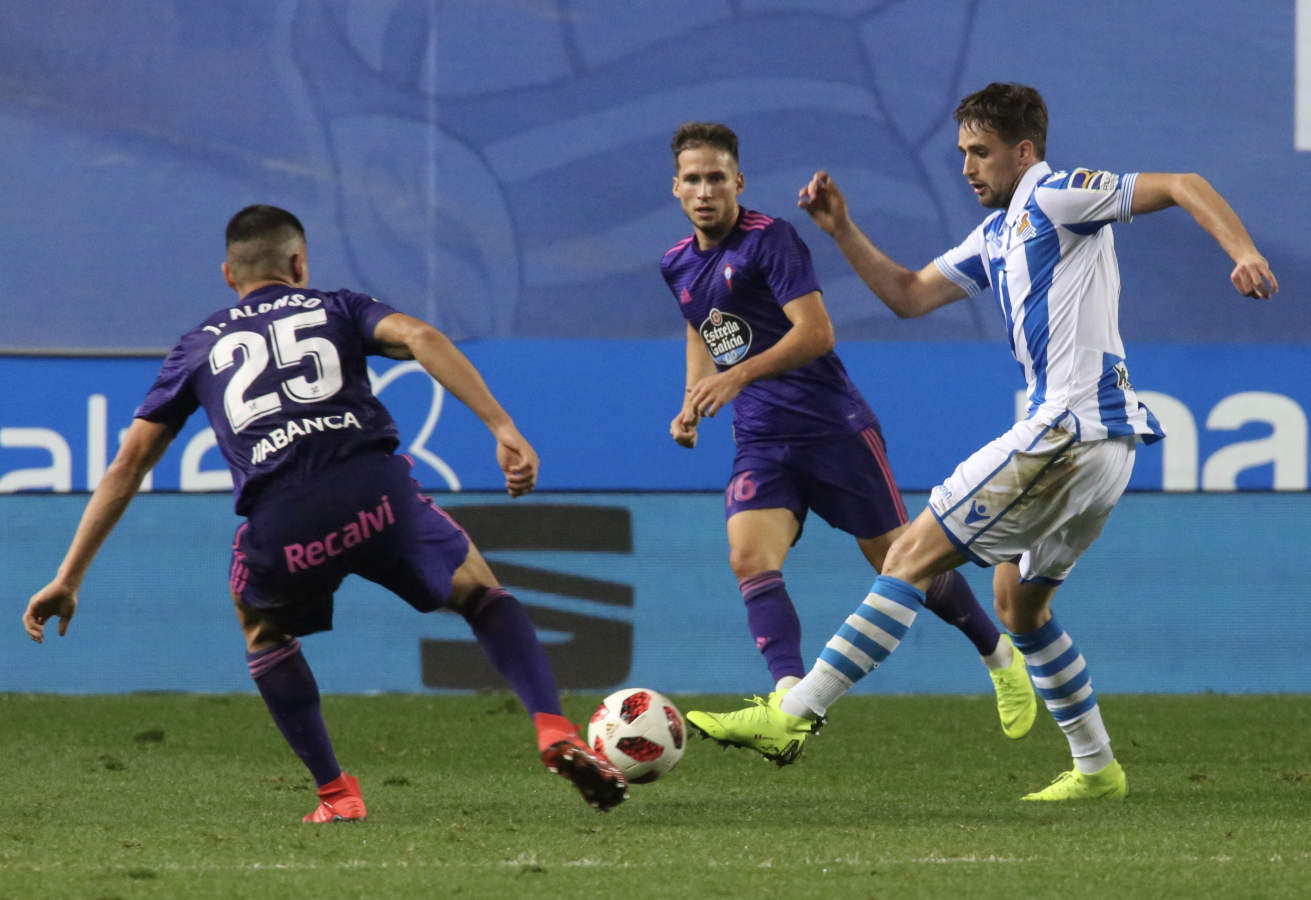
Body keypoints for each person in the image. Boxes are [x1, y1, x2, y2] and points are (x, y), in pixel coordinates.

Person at [699, 83, 1279, 799]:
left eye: (980, 152)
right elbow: (910, 295)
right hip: (1105, 444)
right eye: (962, 153)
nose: (967, 167)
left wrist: (1242, 252)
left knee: (908, 555)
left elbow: (1183, 183)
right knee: (1018, 605)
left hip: (1067, 429)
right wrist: (842, 229)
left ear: (1023, 152)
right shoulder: (998, 232)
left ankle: (793, 713)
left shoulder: (1057, 196)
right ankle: (1097, 769)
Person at [21, 205, 628, 819]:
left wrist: (68, 577)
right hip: (376, 497)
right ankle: (553, 725)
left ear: (229, 275)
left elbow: (128, 464)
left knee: (260, 626)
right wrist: (502, 427)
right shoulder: (337, 306)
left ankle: (337, 794)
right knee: (477, 590)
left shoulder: (198, 346)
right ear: (298, 262)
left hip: (287, 523)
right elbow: (422, 338)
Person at [660, 121, 1036, 763]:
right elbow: (701, 324)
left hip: (832, 428)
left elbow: (816, 334)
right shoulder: (675, 263)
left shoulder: (771, 239)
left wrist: (736, 376)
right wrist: (693, 399)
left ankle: (999, 655)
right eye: (692, 180)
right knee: (749, 558)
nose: (704, 191)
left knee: (904, 563)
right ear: (676, 188)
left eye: (716, 178)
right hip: (761, 439)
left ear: (738, 182)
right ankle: (788, 703)